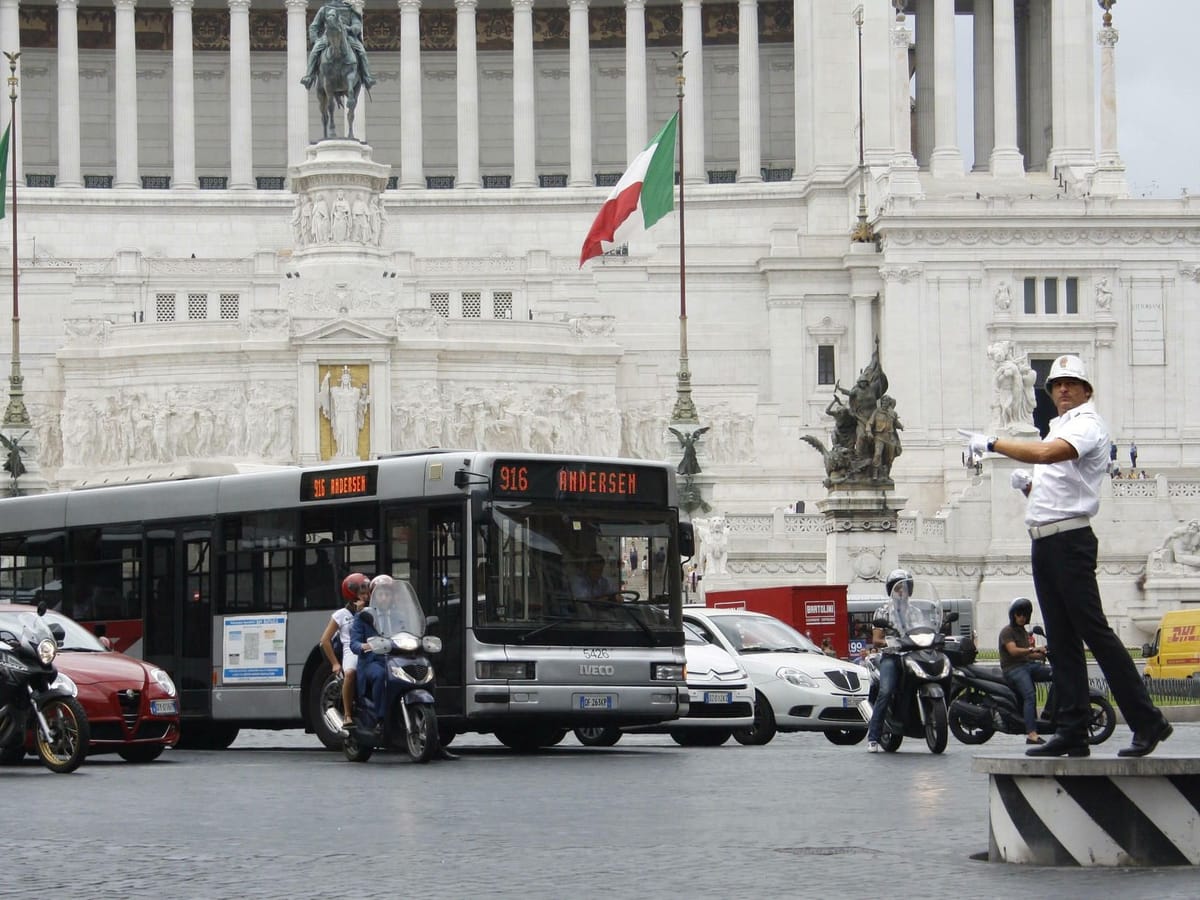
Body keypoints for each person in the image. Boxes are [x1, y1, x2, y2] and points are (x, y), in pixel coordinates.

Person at [960, 355, 1172, 758]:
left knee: (1095, 633)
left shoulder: (1088, 424)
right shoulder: (1059, 425)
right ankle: (1073, 728)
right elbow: (1058, 488)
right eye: (1057, 385)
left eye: (1071, 383)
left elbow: (1047, 456)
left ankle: (1148, 720)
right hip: (1046, 541)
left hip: (1070, 542)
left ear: (1086, 390)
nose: (1062, 390)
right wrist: (1029, 490)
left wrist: (991, 443)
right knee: (1061, 640)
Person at [865, 568, 917, 753]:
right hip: (892, 656)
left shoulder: (917, 612)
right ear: (891, 591)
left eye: (905, 587)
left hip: (913, 655)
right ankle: (873, 736)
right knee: (885, 691)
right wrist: (892, 642)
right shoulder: (882, 611)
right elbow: (877, 639)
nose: (901, 591)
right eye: (898, 588)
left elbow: (926, 629)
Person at [998, 597, 1053, 745]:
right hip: (1013, 669)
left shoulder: (1022, 631)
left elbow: (1027, 654)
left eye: (1024, 615)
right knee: (1030, 695)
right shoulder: (1007, 631)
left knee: (1058, 675)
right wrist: (1034, 649)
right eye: (1019, 614)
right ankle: (1032, 734)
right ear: (1013, 615)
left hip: (1027, 666)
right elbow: (1014, 651)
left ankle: (1048, 713)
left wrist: (1044, 653)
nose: (1022, 618)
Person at [320, 572, 370, 731]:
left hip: (373, 647)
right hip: (352, 650)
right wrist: (335, 663)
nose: (366, 595)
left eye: (368, 592)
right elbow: (325, 641)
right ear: (352, 594)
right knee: (350, 673)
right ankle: (348, 715)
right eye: (362, 593)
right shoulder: (341, 615)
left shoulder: (374, 610)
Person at [300, 0, 377, 90]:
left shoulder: (350, 9)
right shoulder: (324, 9)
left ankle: (367, 77)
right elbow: (314, 26)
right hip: (327, 37)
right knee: (314, 52)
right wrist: (316, 40)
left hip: (348, 37)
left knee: (362, 52)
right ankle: (309, 76)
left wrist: (350, 28)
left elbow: (357, 25)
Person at [350, 590, 388, 727]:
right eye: (381, 594)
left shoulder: (399, 616)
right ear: (374, 598)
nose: (384, 597)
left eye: (387, 594)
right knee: (380, 675)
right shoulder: (363, 616)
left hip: (394, 659)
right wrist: (366, 645)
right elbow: (354, 644)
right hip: (372, 661)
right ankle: (380, 718)